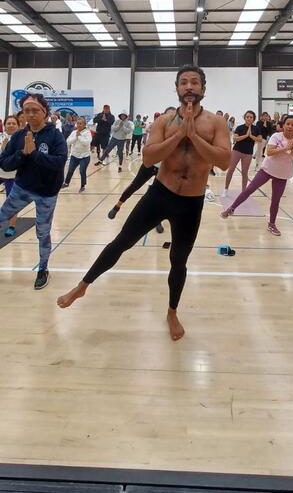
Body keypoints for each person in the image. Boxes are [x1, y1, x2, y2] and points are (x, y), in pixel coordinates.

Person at [56, 66, 231, 340]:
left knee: (178, 260)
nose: (189, 87)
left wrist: (194, 136)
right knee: (121, 241)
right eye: (183, 82)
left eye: (194, 83)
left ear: (203, 90)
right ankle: (82, 285)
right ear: (176, 89)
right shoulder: (165, 121)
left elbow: (223, 161)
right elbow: (149, 158)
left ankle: (172, 311)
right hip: (160, 194)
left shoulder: (215, 123)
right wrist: (179, 134)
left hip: (191, 202)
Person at [0, 93, 67, 288]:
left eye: (35, 110)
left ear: (44, 112)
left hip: (46, 193)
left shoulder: (55, 135)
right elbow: (4, 162)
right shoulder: (19, 136)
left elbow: (59, 162)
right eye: (27, 111)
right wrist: (22, 153)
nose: (31, 114)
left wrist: (35, 154)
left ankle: (43, 269)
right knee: (2, 217)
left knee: (43, 232)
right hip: (22, 188)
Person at [221, 115, 293, 235]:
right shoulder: (276, 136)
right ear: (283, 125)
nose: (290, 126)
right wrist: (286, 148)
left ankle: (272, 224)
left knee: (275, 201)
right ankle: (231, 209)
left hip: (282, 175)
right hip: (267, 170)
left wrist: (292, 149)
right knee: (249, 189)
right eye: (288, 124)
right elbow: (269, 152)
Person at [223, 110, 261, 194]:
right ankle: (226, 189)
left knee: (244, 172)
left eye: (251, 117)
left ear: (253, 119)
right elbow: (235, 138)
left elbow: (260, 139)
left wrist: (251, 136)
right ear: (245, 118)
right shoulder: (240, 127)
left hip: (248, 153)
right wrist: (246, 136)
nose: (249, 118)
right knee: (231, 170)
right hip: (237, 151)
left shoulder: (256, 129)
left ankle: (244, 191)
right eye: (247, 117)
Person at [0, 114, 19, 237]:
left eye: (13, 123)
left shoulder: (22, 139)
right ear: (4, 125)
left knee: (12, 201)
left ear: (18, 126)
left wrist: (6, 150)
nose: (11, 125)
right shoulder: (1, 138)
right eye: (9, 123)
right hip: (0, 172)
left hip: (14, 175)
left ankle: (12, 226)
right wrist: (2, 148)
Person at [62, 117, 92, 192]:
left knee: (82, 171)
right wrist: (76, 136)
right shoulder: (74, 132)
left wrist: (79, 136)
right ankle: (66, 183)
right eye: (78, 123)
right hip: (74, 155)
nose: (79, 125)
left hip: (85, 156)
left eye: (80, 123)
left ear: (84, 124)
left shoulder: (87, 133)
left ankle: (83, 185)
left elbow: (86, 143)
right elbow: (68, 142)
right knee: (70, 170)